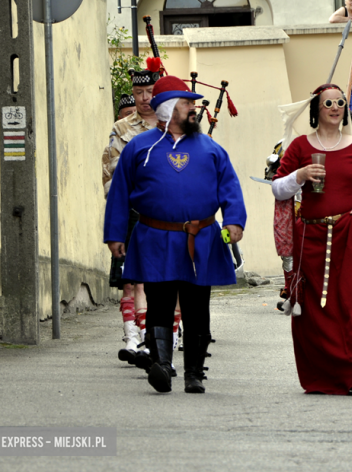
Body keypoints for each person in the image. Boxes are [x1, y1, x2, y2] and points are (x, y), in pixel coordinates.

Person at [104, 75, 247, 394]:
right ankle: (162, 365)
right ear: (168, 109)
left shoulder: (211, 149)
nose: (193, 109)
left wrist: (234, 220)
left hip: (203, 239)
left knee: (198, 305)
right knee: (159, 303)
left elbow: (230, 187)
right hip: (155, 238)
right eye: (187, 104)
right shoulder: (138, 147)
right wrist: (115, 234)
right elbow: (119, 193)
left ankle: (194, 371)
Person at [272, 84, 352, 396]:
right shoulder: (300, 146)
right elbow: (278, 189)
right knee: (318, 312)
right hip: (312, 239)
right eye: (328, 103)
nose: (335, 107)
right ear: (317, 109)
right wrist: (299, 176)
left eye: (340, 102)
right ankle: (326, 376)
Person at [102, 66, 162, 369]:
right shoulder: (122, 128)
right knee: (129, 280)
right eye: (138, 93)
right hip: (132, 214)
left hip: (166, 216)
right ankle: (132, 337)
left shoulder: (172, 124)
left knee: (164, 281)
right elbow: (110, 172)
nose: (144, 98)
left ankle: (163, 339)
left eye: (149, 92)